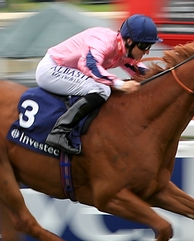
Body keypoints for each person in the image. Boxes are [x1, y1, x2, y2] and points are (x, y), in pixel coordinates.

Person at [35, 14, 162, 154]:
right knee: (103, 89)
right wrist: (119, 84)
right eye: (144, 46)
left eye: (150, 46)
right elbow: (89, 65)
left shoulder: (123, 49)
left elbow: (138, 70)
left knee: (104, 87)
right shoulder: (103, 41)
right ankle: (59, 133)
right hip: (51, 70)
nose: (147, 51)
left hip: (66, 71)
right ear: (130, 41)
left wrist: (162, 78)